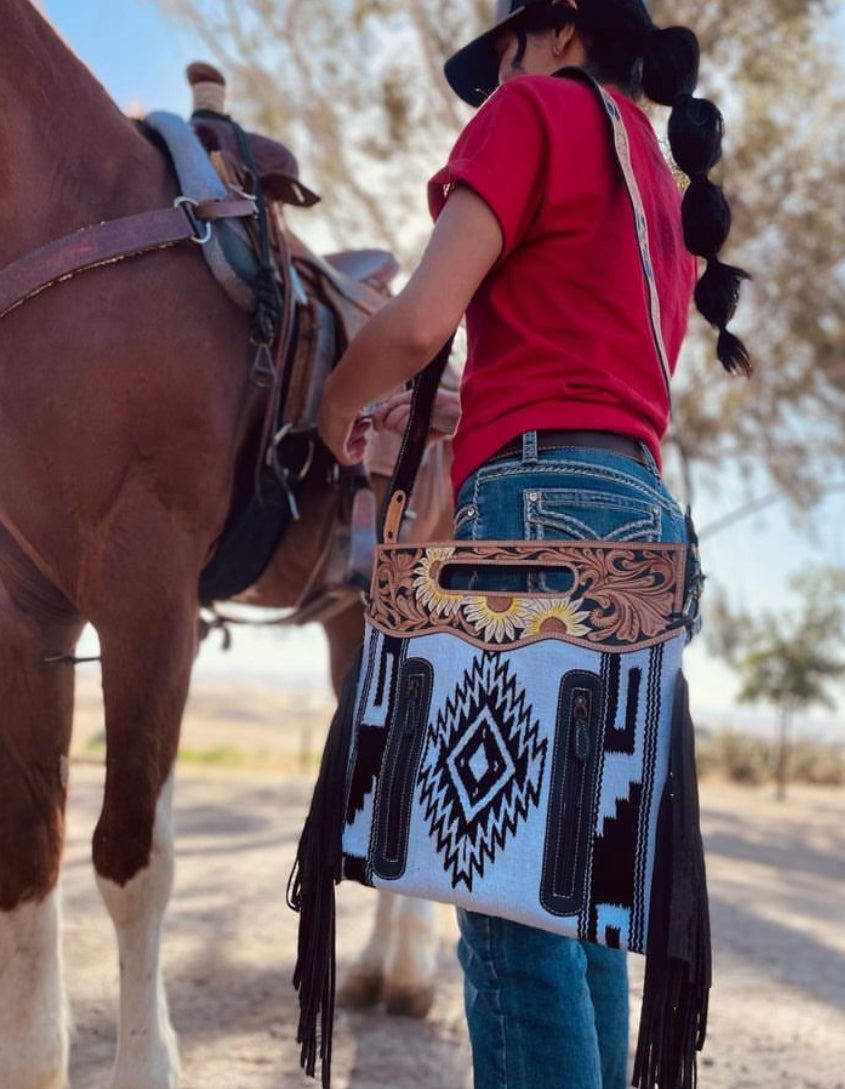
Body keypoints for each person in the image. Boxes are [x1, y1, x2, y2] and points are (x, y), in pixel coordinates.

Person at [317, 1, 749, 1087]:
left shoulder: (531, 115)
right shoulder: (655, 177)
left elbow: (419, 323)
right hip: (640, 523)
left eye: (502, 50)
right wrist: (495, 412)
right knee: (579, 897)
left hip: (534, 523)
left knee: (508, 908)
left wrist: (330, 408)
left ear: (556, 28)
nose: (496, 73)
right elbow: (590, 373)